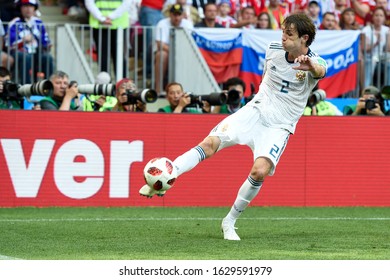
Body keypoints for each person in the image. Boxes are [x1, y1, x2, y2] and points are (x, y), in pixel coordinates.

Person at [139, 13, 327, 240]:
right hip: (254, 112)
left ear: (304, 39)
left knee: (260, 171)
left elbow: (320, 71)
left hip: (280, 125)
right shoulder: (273, 49)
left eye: (289, 34)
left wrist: (311, 66)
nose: (283, 38)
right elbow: (267, 76)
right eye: (283, 32)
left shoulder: (315, 61)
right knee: (209, 144)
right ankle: (168, 176)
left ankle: (229, 222)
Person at [6, 0, 54, 84]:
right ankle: (26, 88)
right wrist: (23, 40)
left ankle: (48, 86)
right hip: (20, 53)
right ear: (20, 8)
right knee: (26, 57)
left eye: (31, 6)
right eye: (25, 6)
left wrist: (46, 45)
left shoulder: (38, 22)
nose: (28, 9)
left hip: (36, 52)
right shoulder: (14, 22)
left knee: (48, 57)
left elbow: (46, 41)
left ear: (34, 8)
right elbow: (9, 44)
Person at [84, 0, 131, 79]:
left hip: (118, 25)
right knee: (103, 58)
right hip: (100, 25)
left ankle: (123, 87)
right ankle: (105, 87)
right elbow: (89, 2)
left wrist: (108, 17)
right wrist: (102, 18)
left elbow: (127, 2)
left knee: (119, 58)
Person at [154, 4, 193, 94]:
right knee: (162, 55)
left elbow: (191, 44)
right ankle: (158, 89)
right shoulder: (162, 23)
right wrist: (175, 51)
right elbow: (160, 44)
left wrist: (180, 52)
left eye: (179, 14)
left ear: (183, 15)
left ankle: (185, 90)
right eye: (175, 14)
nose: (177, 17)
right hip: (167, 51)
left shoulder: (188, 24)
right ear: (170, 15)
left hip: (183, 51)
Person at [361, 7, 390, 88]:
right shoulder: (365, 30)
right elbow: (364, 49)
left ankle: (387, 90)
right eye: (376, 15)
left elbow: (388, 49)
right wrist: (376, 43)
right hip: (369, 57)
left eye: (381, 15)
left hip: (383, 57)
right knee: (371, 62)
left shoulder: (387, 30)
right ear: (373, 17)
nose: (379, 18)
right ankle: (366, 88)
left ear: (384, 18)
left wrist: (388, 38)